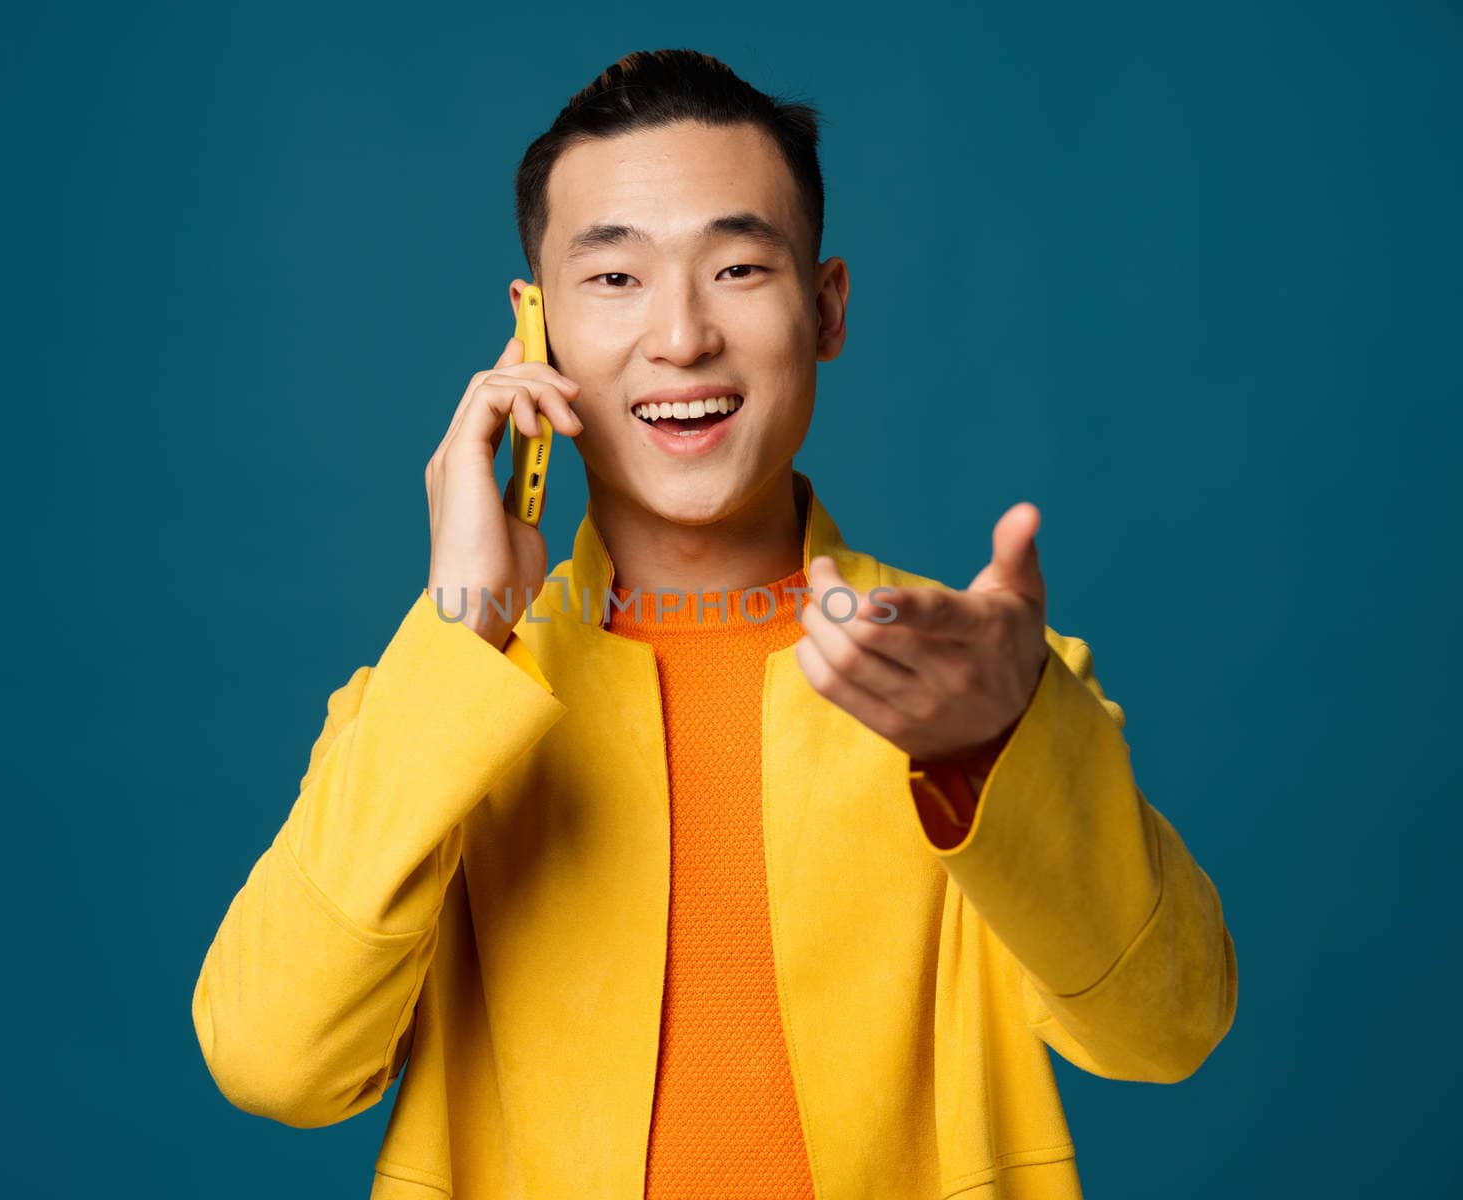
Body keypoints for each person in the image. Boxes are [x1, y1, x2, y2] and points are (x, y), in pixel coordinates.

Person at [191, 48, 1238, 1200]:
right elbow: (271, 1065)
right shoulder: (433, 703)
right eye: (615, 279)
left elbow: (1167, 1029)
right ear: (531, 327)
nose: (681, 337)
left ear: (826, 307)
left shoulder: (962, 685)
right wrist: (460, 630)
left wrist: (1000, 743)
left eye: (737, 267)